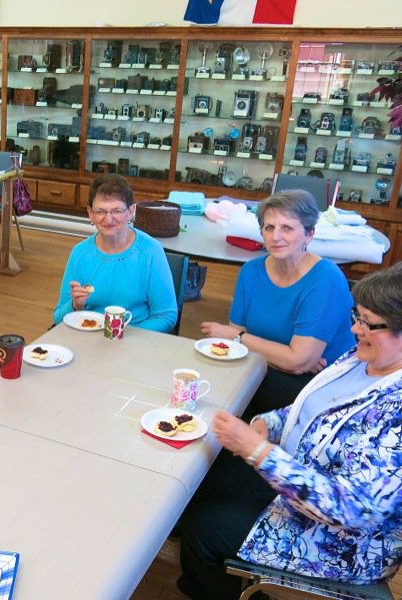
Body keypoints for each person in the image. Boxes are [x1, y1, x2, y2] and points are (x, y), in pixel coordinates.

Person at [177, 264, 402, 600]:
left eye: (368, 323)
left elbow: (353, 511)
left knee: (203, 528)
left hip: (339, 543)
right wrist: (267, 424)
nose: (355, 328)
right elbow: (309, 410)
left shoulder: (395, 411)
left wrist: (258, 451)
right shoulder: (359, 358)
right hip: (295, 478)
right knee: (203, 479)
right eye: (357, 316)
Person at [200, 189, 354, 417]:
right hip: (270, 370)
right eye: (269, 227)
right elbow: (241, 349)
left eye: (287, 228)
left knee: (223, 401)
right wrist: (286, 358)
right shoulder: (251, 271)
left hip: (319, 387)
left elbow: (237, 338)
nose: (276, 236)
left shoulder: (326, 279)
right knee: (212, 384)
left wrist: (239, 339)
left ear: (309, 234)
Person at [52, 173, 177, 332]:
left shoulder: (151, 251)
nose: (108, 219)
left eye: (117, 211)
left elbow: (166, 316)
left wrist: (121, 334)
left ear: (131, 211)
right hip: (89, 337)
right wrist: (75, 306)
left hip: (136, 340)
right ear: (90, 213)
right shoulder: (80, 253)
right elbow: (58, 318)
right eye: (100, 211)